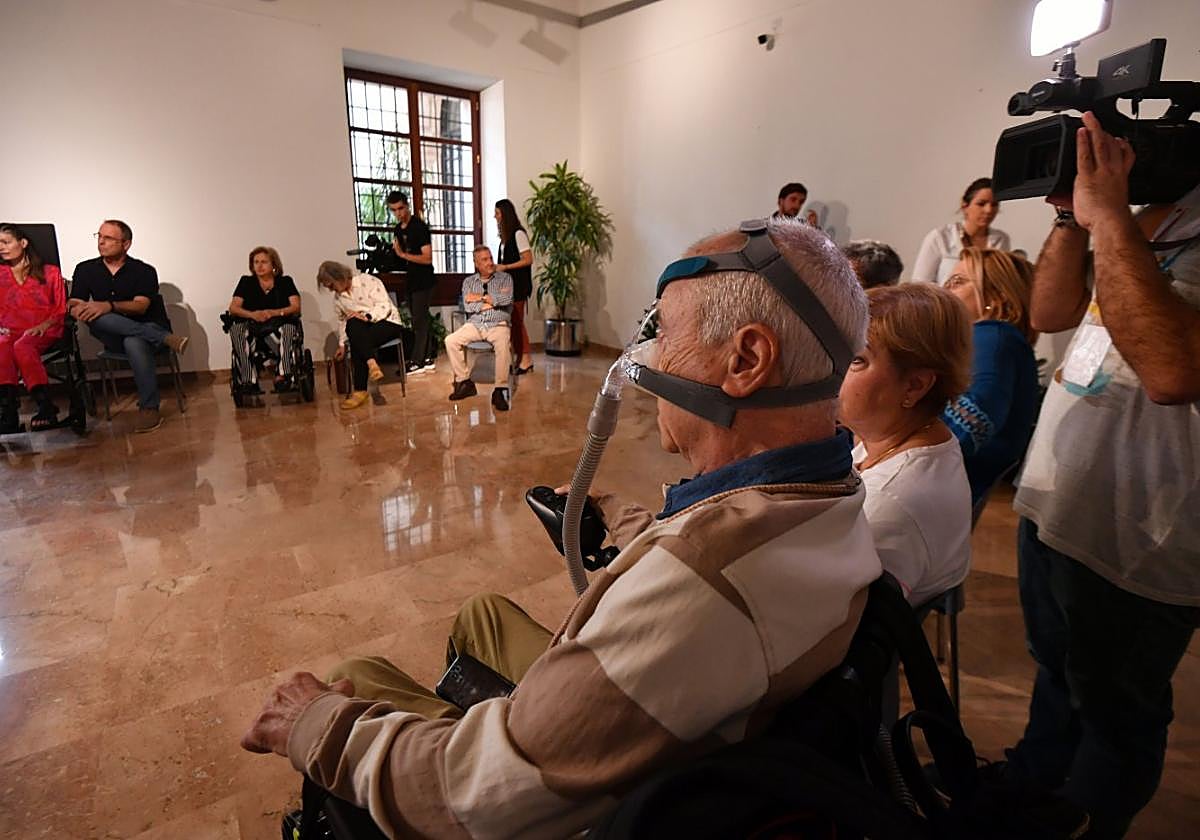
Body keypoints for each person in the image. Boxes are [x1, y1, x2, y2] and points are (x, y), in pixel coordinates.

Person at [241, 217, 883, 839]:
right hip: (688, 723)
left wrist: (315, 724)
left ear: (746, 359)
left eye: (663, 329)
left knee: (356, 672)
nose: (644, 353)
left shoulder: (700, 583)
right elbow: (711, 548)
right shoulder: (832, 490)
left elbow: (475, 795)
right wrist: (626, 521)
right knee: (483, 614)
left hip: (579, 808)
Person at [1005, 112, 1200, 839]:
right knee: (1058, 672)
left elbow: (1172, 372)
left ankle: (1087, 820)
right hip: (1059, 503)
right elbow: (1051, 310)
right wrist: (1070, 214)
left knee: (1118, 711)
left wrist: (1111, 219)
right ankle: (1031, 791)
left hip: (1144, 537)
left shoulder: (1138, 224)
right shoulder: (1152, 218)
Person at [838, 283, 973, 606]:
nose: (831, 369)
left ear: (914, 386)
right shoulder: (915, 436)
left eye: (856, 360)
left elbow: (836, 619)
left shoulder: (887, 504)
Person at [941, 248, 1040, 507]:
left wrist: (914, 457)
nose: (945, 291)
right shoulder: (999, 340)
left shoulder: (993, 336)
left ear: (996, 296)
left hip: (944, 484)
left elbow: (977, 413)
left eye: (957, 282)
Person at [69, 220, 186, 434]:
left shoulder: (144, 271)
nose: (101, 242)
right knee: (98, 317)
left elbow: (141, 307)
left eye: (108, 238)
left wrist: (109, 305)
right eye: (99, 236)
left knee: (133, 341)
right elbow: (76, 301)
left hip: (145, 327)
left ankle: (149, 408)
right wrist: (77, 309)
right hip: (112, 334)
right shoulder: (85, 269)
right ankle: (163, 337)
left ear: (126, 244)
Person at [0, 224, 67, 432]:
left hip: (44, 327)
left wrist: (45, 324)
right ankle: (8, 412)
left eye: (5, 242)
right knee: (2, 345)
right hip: (9, 330)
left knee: (23, 345)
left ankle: (46, 407)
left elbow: (61, 308)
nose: (1, 247)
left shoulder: (50, 272)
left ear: (23, 243)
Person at [316, 260, 404, 411]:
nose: (331, 290)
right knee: (353, 324)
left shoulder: (367, 281)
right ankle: (372, 363)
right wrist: (341, 345)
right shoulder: (338, 299)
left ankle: (360, 391)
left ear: (339, 277)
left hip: (387, 322)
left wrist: (366, 316)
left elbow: (384, 306)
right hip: (362, 330)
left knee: (357, 339)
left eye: (331, 285)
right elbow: (343, 322)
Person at [444, 245, 512, 411]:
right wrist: (489, 300)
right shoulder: (469, 282)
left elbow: (506, 299)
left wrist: (480, 299)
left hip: (498, 324)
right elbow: (469, 307)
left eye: (490, 258)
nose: (490, 262)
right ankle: (465, 382)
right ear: (476, 264)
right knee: (451, 340)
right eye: (485, 260)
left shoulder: (505, 278)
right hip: (475, 324)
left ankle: (500, 390)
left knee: (503, 345)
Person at [227, 246, 301, 394]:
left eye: (264, 262)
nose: (259, 266)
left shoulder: (285, 282)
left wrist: (274, 312)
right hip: (252, 327)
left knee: (289, 329)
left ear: (274, 264)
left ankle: (283, 376)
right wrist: (252, 314)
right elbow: (233, 308)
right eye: (256, 262)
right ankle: (249, 380)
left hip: (278, 326)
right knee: (236, 330)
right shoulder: (246, 282)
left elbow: (295, 306)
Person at [911, 177, 1011, 284]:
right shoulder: (940, 237)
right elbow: (920, 283)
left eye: (994, 204)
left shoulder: (1001, 240)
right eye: (981, 204)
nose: (988, 210)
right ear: (965, 205)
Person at [387, 191, 436, 373]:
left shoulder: (419, 227)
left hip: (424, 280)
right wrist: (396, 256)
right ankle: (428, 357)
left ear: (407, 205)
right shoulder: (398, 230)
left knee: (419, 321)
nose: (398, 213)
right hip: (411, 280)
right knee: (420, 319)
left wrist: (403, 255)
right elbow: (400, 258)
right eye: (394, 210)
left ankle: (417, 361)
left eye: (400, 208)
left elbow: (427, 258)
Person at [494, 198, 534, 374]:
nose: (495, 217)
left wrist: (506, 267)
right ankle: (518, 358)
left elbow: (528, 259)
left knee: (517, 322)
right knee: (511, 323)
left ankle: (526, 359)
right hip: (507, 287)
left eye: (497, 213)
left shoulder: (518, 234)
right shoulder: (505, 238)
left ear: (505, 214)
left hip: (519, 285)